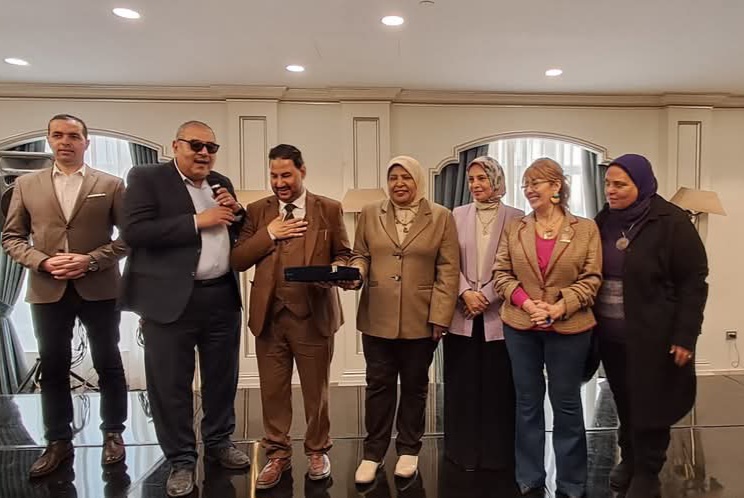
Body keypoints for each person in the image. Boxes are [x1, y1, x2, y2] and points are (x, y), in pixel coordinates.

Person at [120, 120, 249, 497]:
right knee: (170, 384)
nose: (204, 153)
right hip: (169, 301)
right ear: (176, 146)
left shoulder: (220, 182)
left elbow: (232, 231)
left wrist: (238, 212)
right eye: (196, 145)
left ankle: (219, 442)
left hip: (221, 296)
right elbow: (134, 233)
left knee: (222, 379)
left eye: (211, 147)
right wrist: (196, 221)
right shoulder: (146, 178)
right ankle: (180, 459)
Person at [2, 113, 129, 478]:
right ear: (49, 140)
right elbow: (12, 237)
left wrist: (91, 260)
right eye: (58, 135)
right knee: (53, 366)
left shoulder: (111, 184)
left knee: (108, 362)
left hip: (100, 287)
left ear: (86, 142)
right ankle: (58, 441)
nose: (65, 142)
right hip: (48, 288)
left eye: (73, 136)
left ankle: (113, 433)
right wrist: (42, 262)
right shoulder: (27, 185)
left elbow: (129, 238)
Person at [230, 144, 352, 489]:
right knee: (272, 392)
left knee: (317, 392)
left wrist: (336, 270)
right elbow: (238, 259)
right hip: (269, 317)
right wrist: (270, 233)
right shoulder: (258, 211)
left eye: (286, 175)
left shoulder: (328, 208)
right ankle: (277, 455)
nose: (279, 182)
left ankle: (317, 450)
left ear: (302, 171)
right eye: (274, 175)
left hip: (313, 315)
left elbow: (344, 253)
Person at [595, 154, 708, 498]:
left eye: (620, 184)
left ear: (641, 184)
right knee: (624, 399)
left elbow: (693, 283)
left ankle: (648, 470)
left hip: (654, 337)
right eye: (608, 183)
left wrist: (685, 336)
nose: (611, 191)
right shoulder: (604, 220)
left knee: (650, 402)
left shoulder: (672, 222)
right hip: (611, 337)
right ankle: (629, 457)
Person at [493, 157, 602, 498]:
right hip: (521, 327)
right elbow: (501, 275)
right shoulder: (516, 228)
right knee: (527, 402)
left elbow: (592, 279)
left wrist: (558, 307)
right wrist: (528, 304)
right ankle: (530, 477)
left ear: (556, 186)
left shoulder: (586, 229)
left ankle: (571, 482)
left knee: (566, 403)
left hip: (570, 328)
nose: (528, 189)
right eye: (525, 184)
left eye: (535, 183)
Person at [350, 155, 460, 484]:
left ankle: (409, 449)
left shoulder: (441, 216)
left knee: (415, 385)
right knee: (378, 386)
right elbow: (361, 255)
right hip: (377, 315)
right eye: (393, 178)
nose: (399, 183)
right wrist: (357, 272)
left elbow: (448, 270)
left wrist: (440, 317)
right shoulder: (370, 213)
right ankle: (373, 453)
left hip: (421, 318)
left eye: (406, 177)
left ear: (418, 180)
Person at [445, 156, 524, 471]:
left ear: (497, 180)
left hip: (499, 315)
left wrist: (487, 296)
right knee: (461, 385)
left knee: (498, 387)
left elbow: (517, 265)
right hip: (462, 312)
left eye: (482, 178)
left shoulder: (517, 217)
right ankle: (461, 452)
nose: (476, 185)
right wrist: (466, 292)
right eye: (471, 179)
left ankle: (496, 454)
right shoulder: (456, 214)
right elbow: (447, 260)